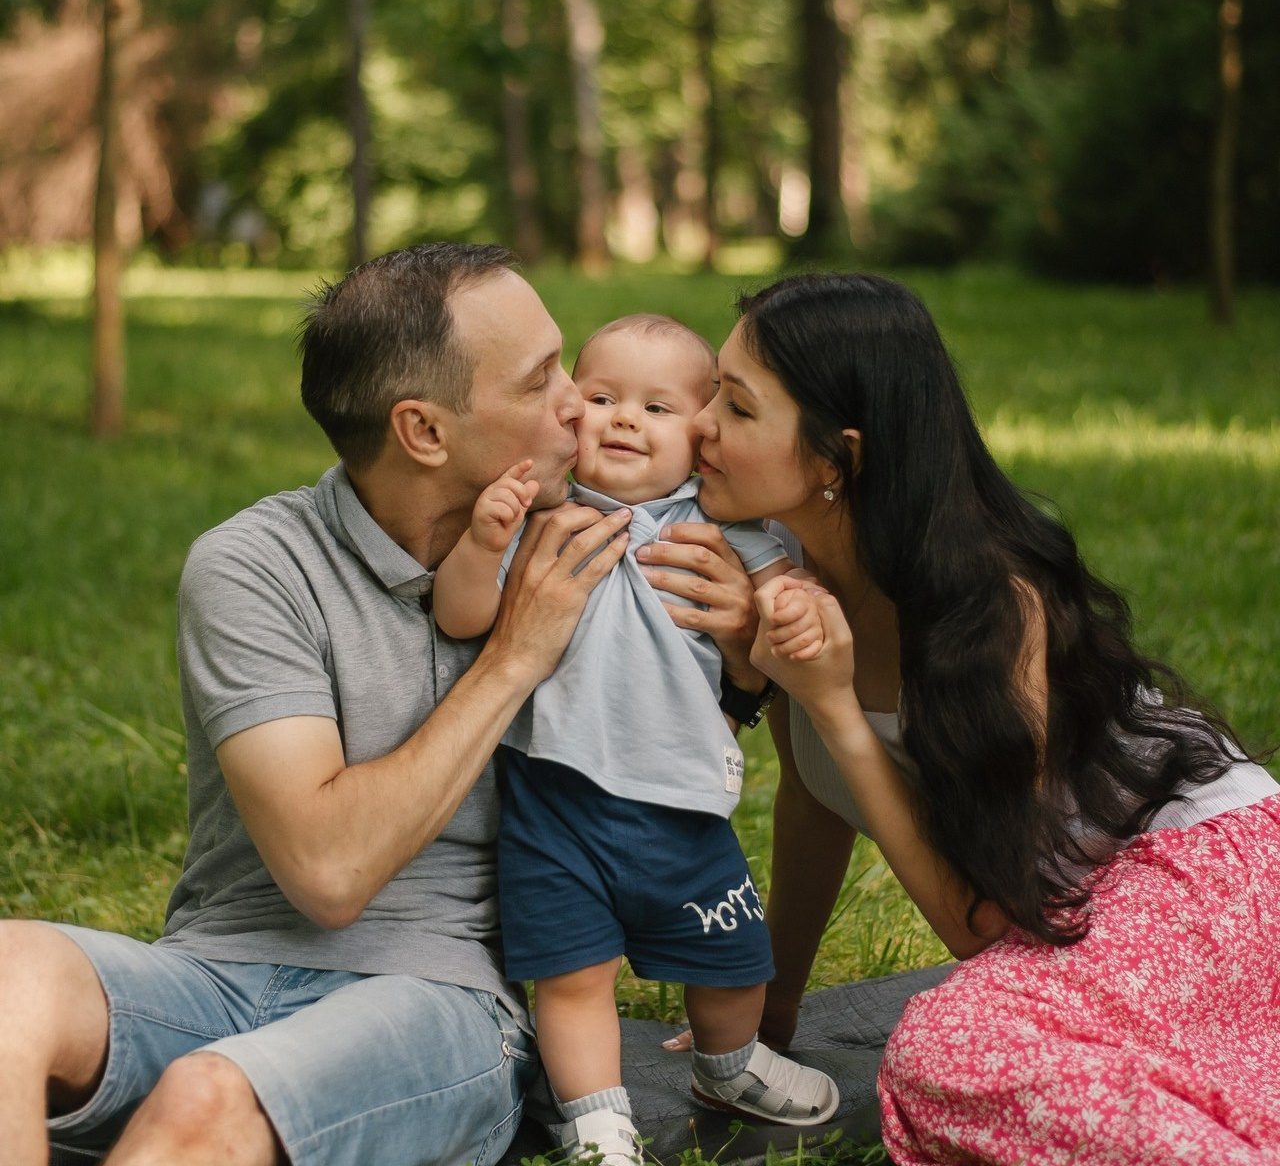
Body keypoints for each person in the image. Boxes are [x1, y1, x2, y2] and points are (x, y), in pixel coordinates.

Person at [0, 242, 651, 1166]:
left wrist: (757, 655)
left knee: (207, 1098)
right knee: (11, 972)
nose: (579, 402)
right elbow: (329, 869)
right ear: (423, 432)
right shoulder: (255, 566)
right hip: (215, 977)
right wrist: (512, 658)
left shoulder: (585, 541)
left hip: (437, 999)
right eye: (540, 379)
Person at [655, 271, 1280, 1165]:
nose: (700, 424)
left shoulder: (992, 606)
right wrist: (773, 1010)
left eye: (738, 406)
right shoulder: (782, 561)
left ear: (838, 458)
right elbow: (812, 801)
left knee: (948, 1046)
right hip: (1081, 914)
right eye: (715, 390)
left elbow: (981, 924)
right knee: (966, 1047)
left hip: (1198, 871)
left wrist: (832, 702)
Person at [432, 314, 839, 1165]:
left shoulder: (726, 531)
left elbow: (781, 595)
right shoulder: (542, 516)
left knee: (733, 960)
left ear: (701, 440)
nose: (623, 419)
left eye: (657, 408)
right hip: (553, 801)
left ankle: (729, 1064)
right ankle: (596, 1122)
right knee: (573, 977)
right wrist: (482, 542)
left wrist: (791, 604)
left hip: (682, 800)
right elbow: (461, 616)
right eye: (602, 397)